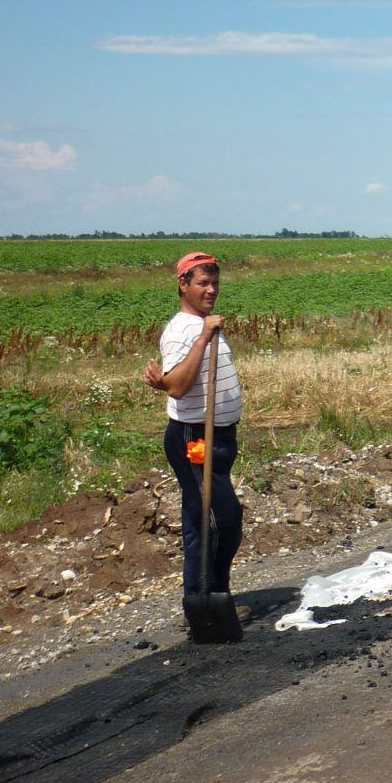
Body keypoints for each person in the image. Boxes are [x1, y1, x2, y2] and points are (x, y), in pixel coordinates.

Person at [142, 252, 245, 617]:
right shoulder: (183, 330)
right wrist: (203, 338)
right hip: (194, 438)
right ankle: (209, 598)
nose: (211, 290)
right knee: (223, 520)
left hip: (217, 436)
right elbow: (179, 387)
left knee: (200, 521)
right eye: (202, 283)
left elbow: (172, 383)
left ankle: (205, 600)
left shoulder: (201, 323)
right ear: (182, 284)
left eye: (215, 283)